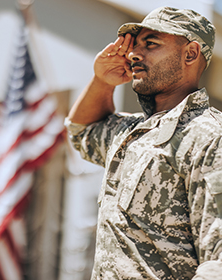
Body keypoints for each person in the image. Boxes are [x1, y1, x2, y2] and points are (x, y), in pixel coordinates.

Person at [65, 6, 222, 280]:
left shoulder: (209, 135)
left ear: (191, 53)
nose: (134, 54)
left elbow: (217, 261)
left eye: (151, 44)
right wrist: (102, 81)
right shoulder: (132, 130)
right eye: (134, 46)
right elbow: (82, 132)